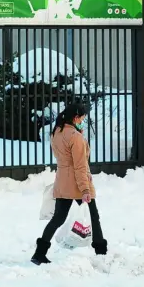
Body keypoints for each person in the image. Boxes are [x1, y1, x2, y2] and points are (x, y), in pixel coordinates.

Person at [31, 103, 108, 265]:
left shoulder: (57, 132)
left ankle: (39, 253)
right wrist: (85, 188)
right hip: (78, 183)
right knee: (94, 217)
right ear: (75, 118)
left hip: (62, 182)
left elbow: (65, 156)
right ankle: (101, 252)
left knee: (58, 218)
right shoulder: (75, 137)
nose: (83, 121)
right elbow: (79, 165)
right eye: (82, 119)